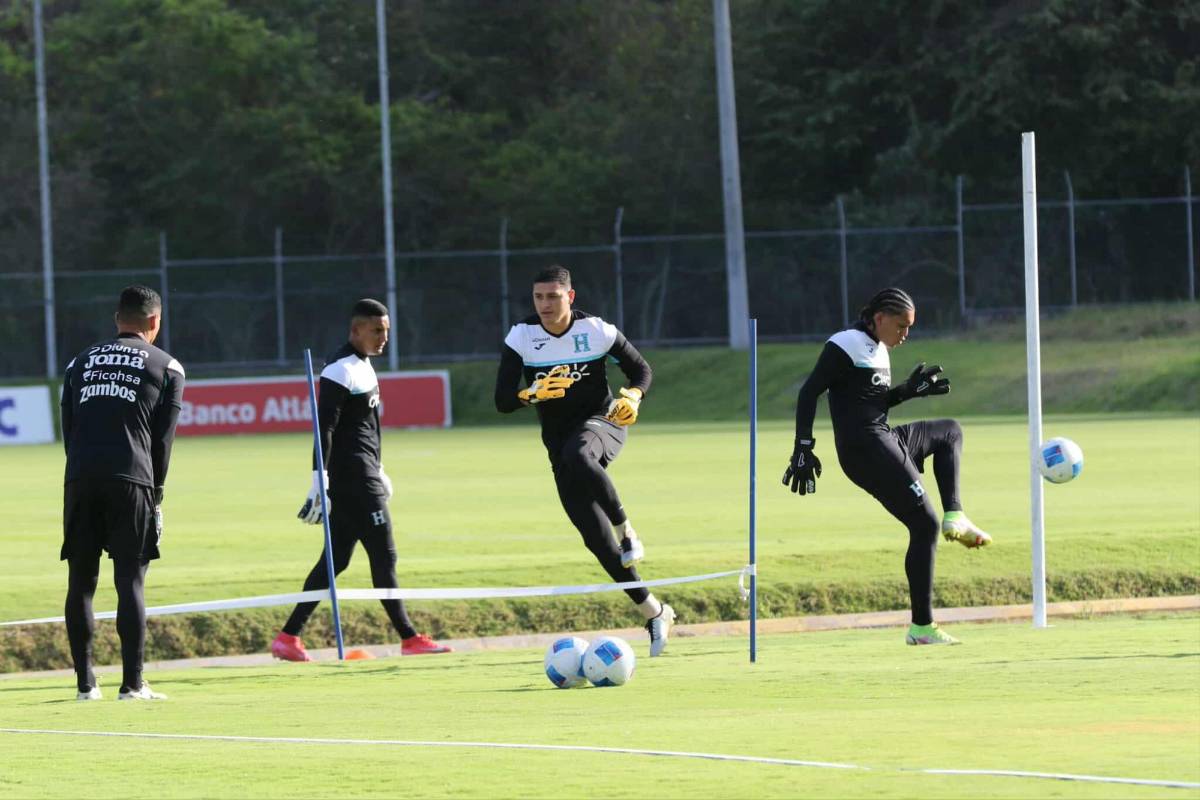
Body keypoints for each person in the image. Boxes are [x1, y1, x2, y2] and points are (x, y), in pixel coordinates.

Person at [783, 287, 992, 646]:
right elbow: (809, 392)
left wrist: (909, 391)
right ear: (879, 319)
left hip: (884, 438)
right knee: (924, 524)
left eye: (909, 328)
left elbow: (875, 404)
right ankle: (922, 628)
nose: (905, 335)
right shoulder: (845, 343)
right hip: (866, 450)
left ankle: (955, 514)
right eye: (901, 326)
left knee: (949, 432)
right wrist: (803, 446)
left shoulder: (879, 348)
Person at [494, 265, 676, 656]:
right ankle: (655, 612)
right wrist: (532, 394)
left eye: (553, 296)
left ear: (570, 297)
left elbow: (641, 369)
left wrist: (633, 397)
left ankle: (628, 530)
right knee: (595, 540)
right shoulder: (522, 336)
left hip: (604, 423)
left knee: (580, 453)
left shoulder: (595, 330)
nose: (545, 304)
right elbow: (502, 401)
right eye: (538, 297)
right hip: (557, 444)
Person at [271, 299, 452, 660]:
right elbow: (325, 428)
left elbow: (367, 428)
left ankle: (288, 638)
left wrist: (380, 467)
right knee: (385, 556)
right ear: (356, 331)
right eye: (376, 331)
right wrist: (318, 479)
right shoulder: (340, 370)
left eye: (386, 330)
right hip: (354, 480)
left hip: (364, 473)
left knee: (334, 561)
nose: (384, 337)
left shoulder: (363, 365)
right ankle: (410, 638)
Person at [60, 284, 185, 700]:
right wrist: (157, 494)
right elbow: (162, 441)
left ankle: (85, 685)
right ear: (155, 322)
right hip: (133, 477)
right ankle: (132, 684)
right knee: (130, 577)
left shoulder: (78, 362)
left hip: (79, 477)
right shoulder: (168, 367)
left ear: (117, 320)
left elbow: (70, 428)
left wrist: (78, 472)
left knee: (81, 579)